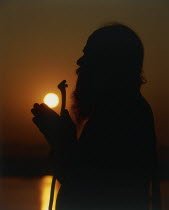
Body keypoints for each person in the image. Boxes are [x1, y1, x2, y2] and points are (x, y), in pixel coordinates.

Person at [31, 23, 157, 210]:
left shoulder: (122, 114)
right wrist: (62, 137)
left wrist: (62, 139)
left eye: (88, 56)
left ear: (111, 64)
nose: (79, 63)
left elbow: (86, 186)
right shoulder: (123, 110)